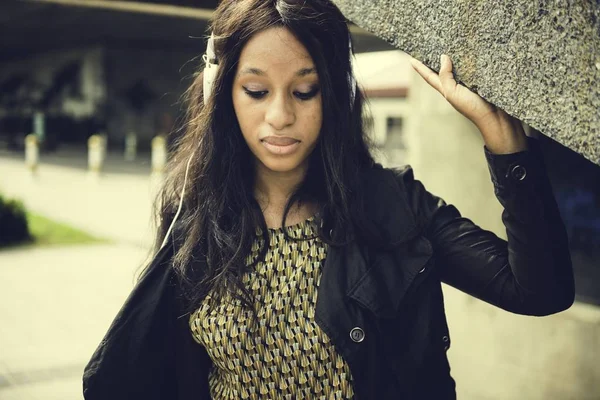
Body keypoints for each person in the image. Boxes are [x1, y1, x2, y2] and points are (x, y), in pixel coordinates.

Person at [82, 0, 575, 399]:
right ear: (221, 93)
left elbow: (539, 291)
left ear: (336, 94)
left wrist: (506, 144)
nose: (279, 116)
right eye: (256, 90)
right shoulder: (196, 214)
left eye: (305, 91)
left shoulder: (392, 205)